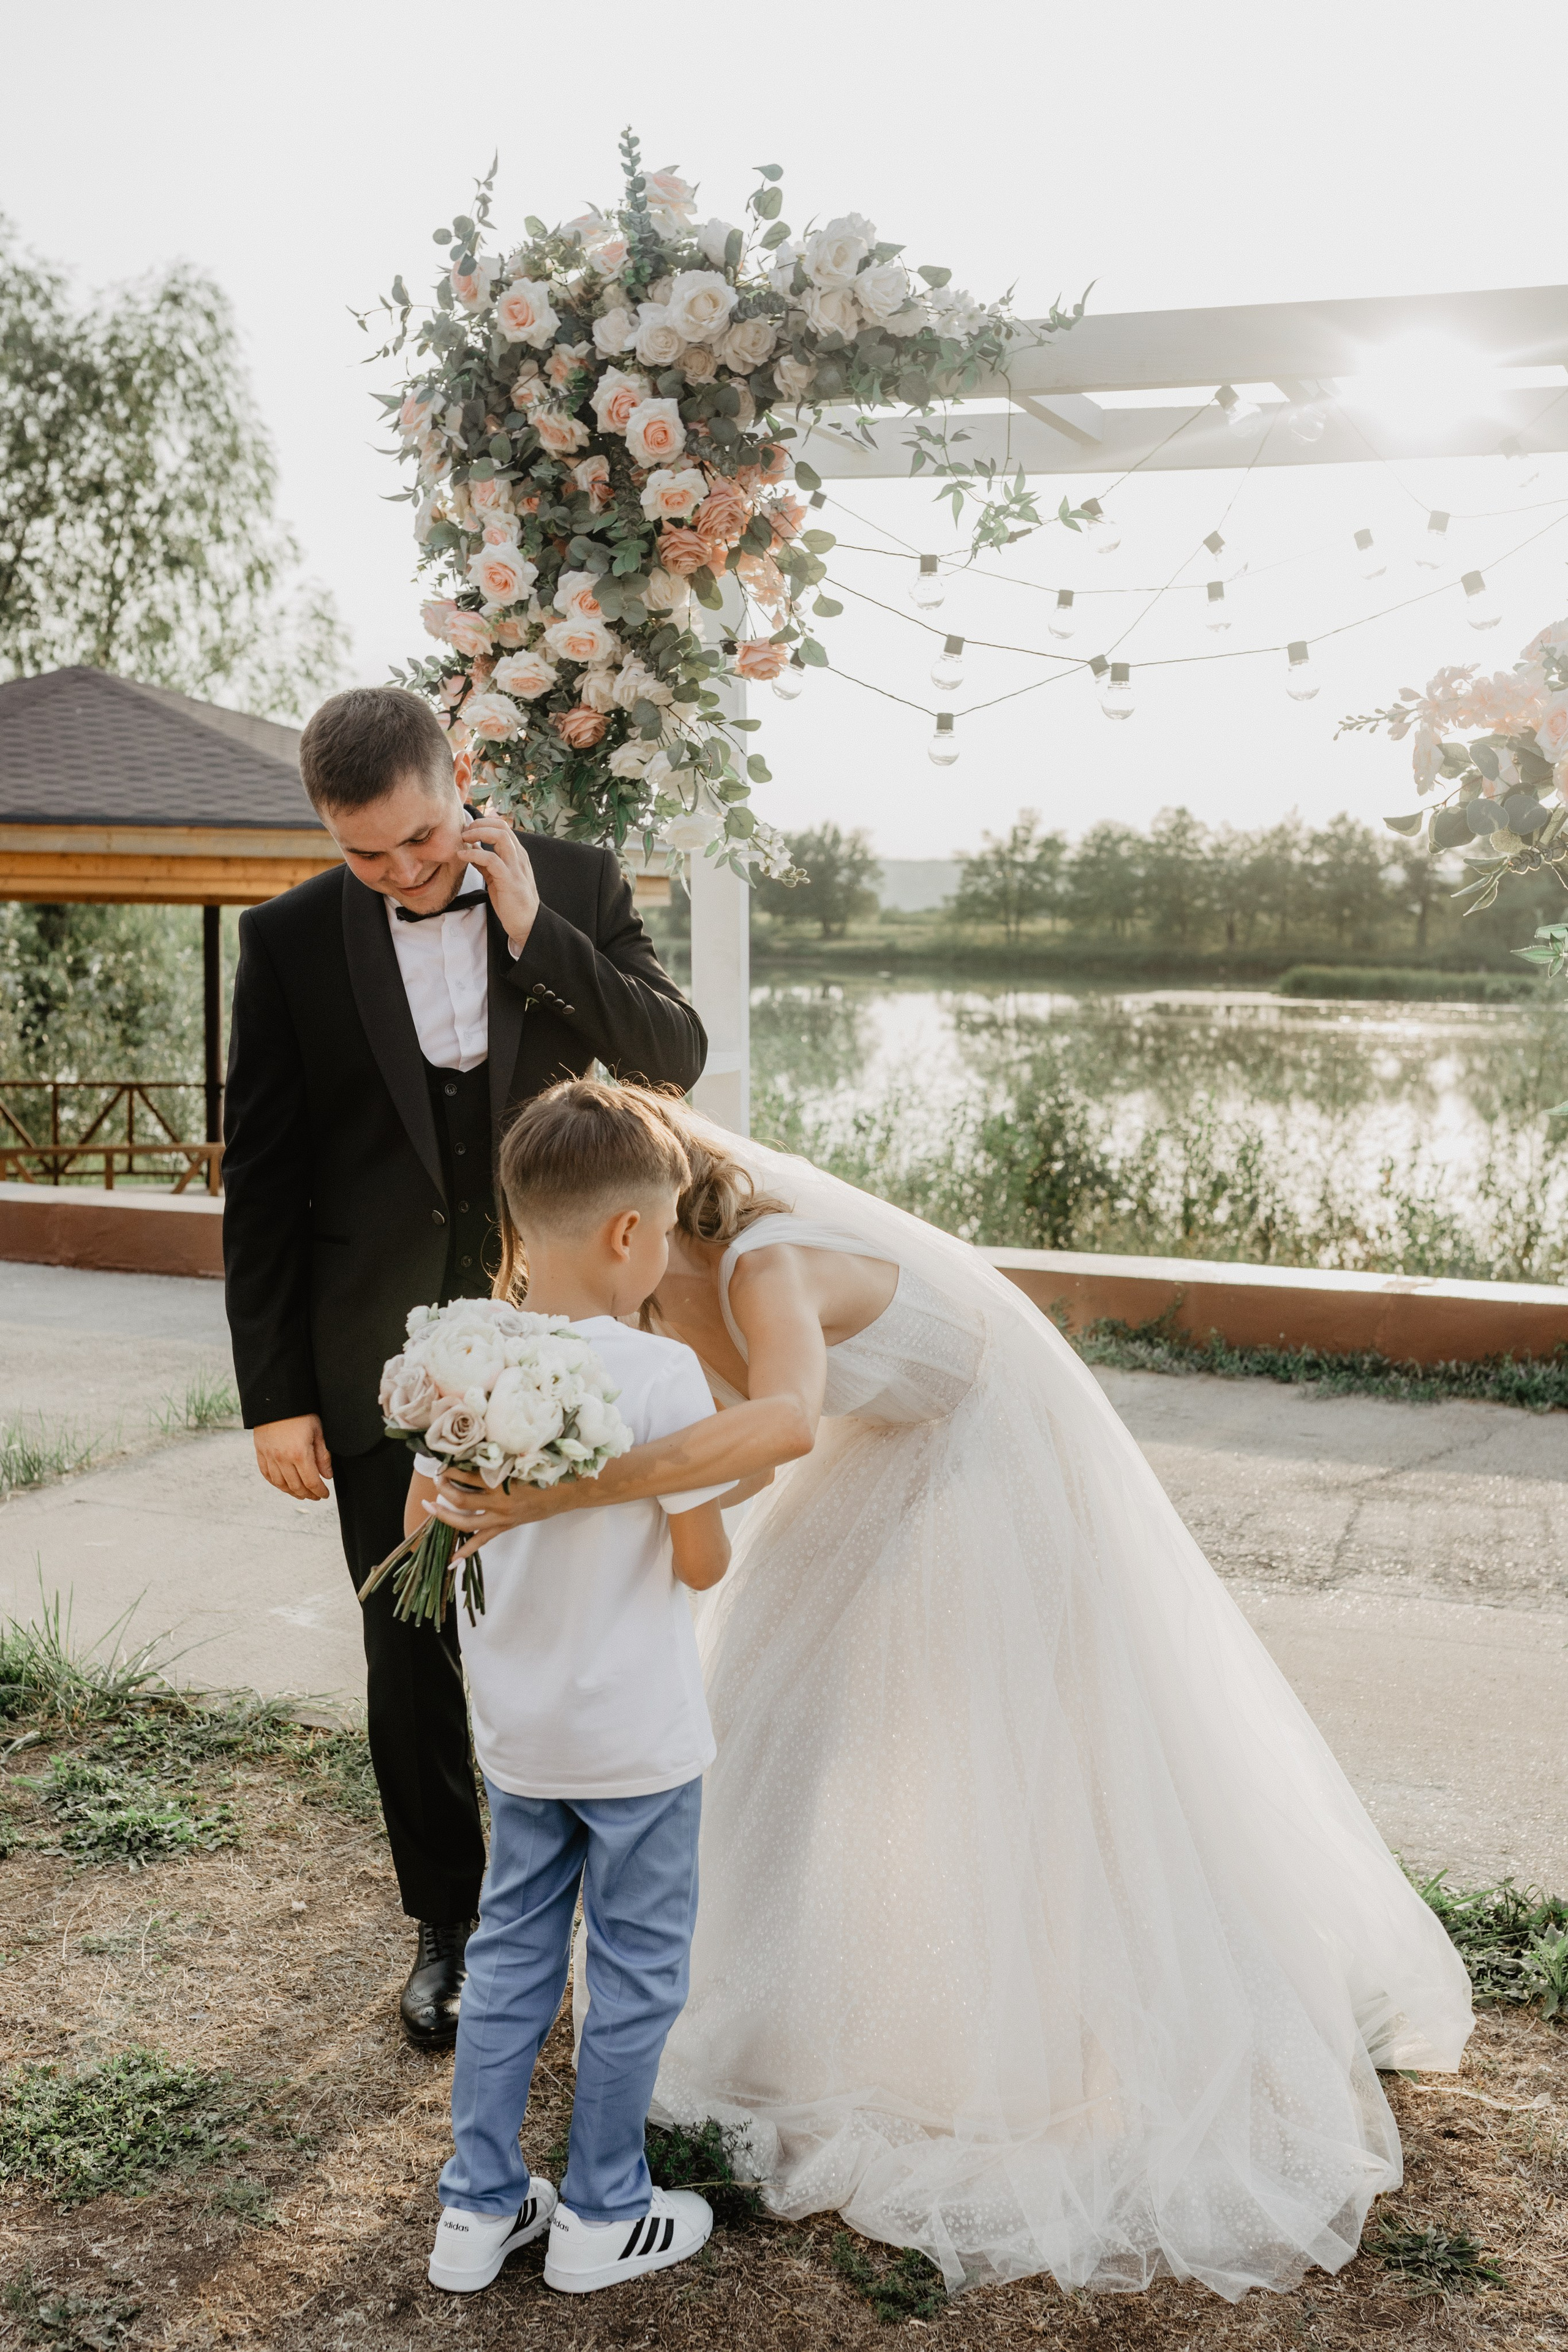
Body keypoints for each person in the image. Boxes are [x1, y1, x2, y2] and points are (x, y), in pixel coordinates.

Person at [429, 1084, 1476, 2305]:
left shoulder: (767, 1258)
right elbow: (698, 1429)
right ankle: (791, 2002)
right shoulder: (653, 1276)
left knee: (998, 1747)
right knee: (784, 1713)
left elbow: (774, 1424)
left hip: (977, 1459)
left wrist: (570, 1494)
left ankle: (1014, 2023)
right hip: (865, 1458)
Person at [221, 688, 704, 2048]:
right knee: (409, 1642)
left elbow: (674, 1061)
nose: (401, 873)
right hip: (379, 1360)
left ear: (461, 784)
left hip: (574, 1335)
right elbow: (260, 1179)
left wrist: (533, 934)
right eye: (365, 854)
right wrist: (278, 1396)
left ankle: (615, 1911)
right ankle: (450, 1923)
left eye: (422, 841)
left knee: (588, 1617)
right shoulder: (290, 941)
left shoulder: (580, 885)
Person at [418, 1080, 731, 2299]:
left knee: (508, 1958)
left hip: (520, 1733)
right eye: (665, 1226)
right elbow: (701, 1560)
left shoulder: (458, 1355)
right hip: (637, 1740)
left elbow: (426, 1530)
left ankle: (476, 2207)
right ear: (626, 1236)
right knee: (638, 1968)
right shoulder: (658, 1375)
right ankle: (604, 2207)